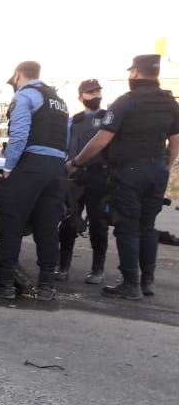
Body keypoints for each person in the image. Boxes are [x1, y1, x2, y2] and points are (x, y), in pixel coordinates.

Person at [69, 54, 179, 299]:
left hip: (129, 172)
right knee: (147, 227)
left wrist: (76, 162)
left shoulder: (126, 102)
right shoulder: (169, 102)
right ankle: (147, 281)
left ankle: (131, 283)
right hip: (157, 171)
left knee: (127, 227)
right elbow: (175, 141)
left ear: (136, 73)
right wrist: (165, 166)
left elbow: (102, 139)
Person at [0, 61, 69, 301]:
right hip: (56, 169)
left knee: (11, 223)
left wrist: (8, 167)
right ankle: (46, 285)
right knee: (47, 227)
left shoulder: (26, 96)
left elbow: (19, 135)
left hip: (31, 165)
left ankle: (5, 284)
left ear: (17, 75)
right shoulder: (59, 101)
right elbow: (65, 139)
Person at [56, 79, 110, 284]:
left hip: (100, 176)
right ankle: (63, 267)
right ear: (81, 97)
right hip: (76, 178)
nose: (95, 95)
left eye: (97, 91)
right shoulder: (73, 121)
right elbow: (65, 148)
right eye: (90, 92)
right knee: (69, 222)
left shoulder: (109, 119)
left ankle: (97, 269)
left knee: (98, 224)